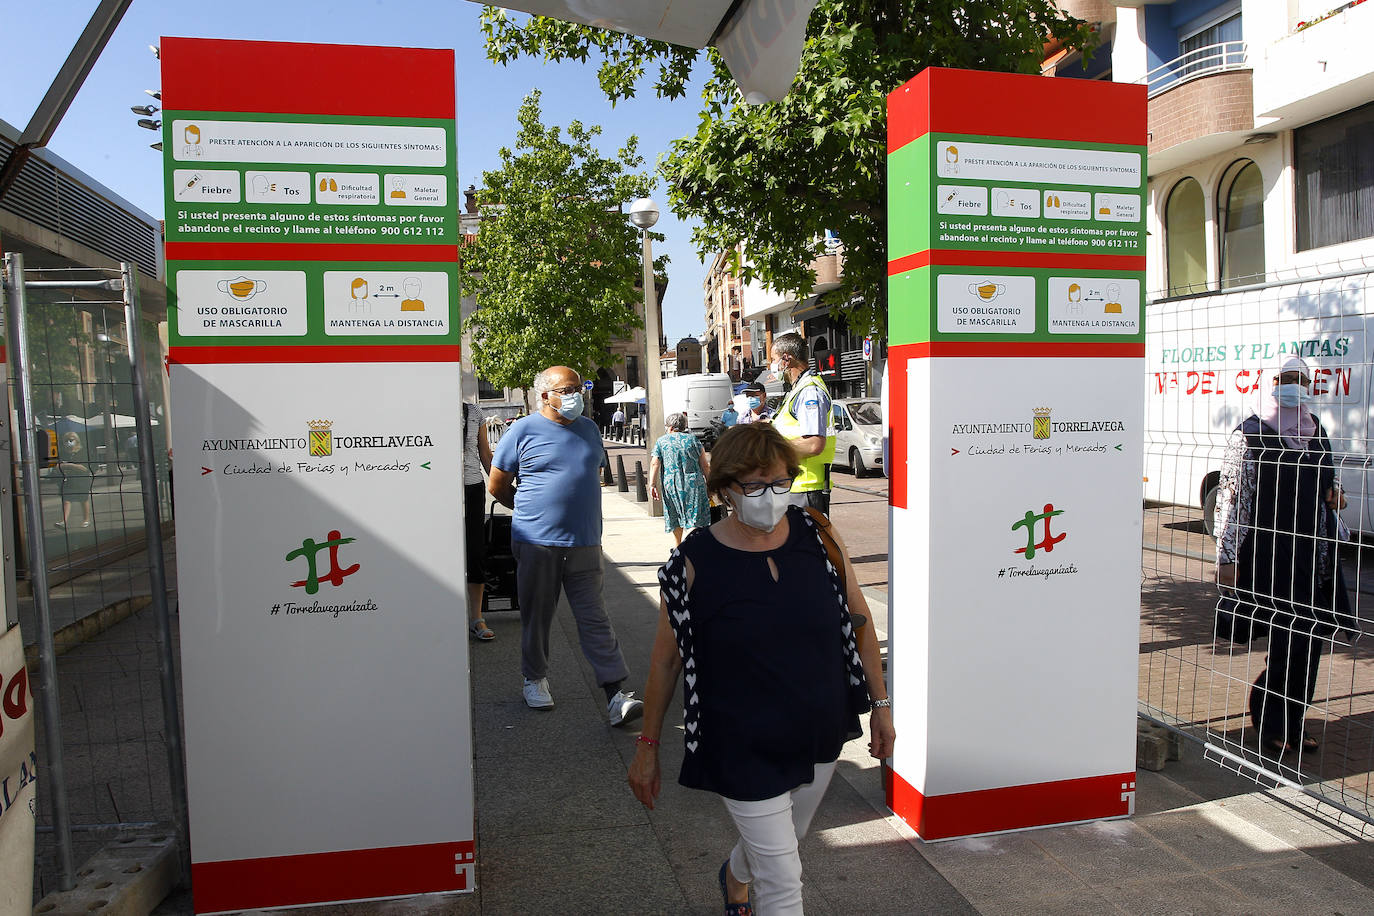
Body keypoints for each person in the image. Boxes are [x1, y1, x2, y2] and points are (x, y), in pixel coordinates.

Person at [629, 423, 894, 916]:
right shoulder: (692, 561)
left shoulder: (819, 535)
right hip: (740, 738)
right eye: (753, 486)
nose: (769, 497)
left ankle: (734, 874)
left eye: (779, 483)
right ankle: (747, 882)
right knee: (784, 877)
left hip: (818, 724)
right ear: (724, 486)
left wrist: (881, 708)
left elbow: (858, 623)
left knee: (786, 839)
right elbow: (666, 660)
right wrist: (647, 746)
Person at [488, 365, 644, 725]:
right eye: (568, 389)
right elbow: (497, 484)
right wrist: (529, 510)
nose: (578, 394)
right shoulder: (522, 430)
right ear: (546, 395)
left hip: (586, 541)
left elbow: (593, 475)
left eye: (579, 387)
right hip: (536, 541)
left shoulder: (589, 429)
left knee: (595, 618)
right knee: (538, 616)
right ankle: (535, 679)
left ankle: (615, 693)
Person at [1214, 356, 1352, 757]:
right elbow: (1232, 499)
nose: (1293, 385)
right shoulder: (1250, 435)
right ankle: (1275, 723)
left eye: (1299, 378)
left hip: (1315, 559)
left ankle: (1294, 720)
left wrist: (1334, 495)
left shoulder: (1315, 431)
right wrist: (1227, 558)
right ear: (1268, 381)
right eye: (1284, 378)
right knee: (1286, 641)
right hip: (1271, 559)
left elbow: (1328, 477)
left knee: (1310, 643)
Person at [769, 333, 836, 515]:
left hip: (805, 489)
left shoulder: (809, 392)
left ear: (786, 359)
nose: (772, 366)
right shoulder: (797, 390)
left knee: (805, 543)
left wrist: (771, 447)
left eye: (773, 360)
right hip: (794, 487)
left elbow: (814, 443)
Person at [649, 412, 710, 546]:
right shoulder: (693, 440)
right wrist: (710, 482)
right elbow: (704, 464)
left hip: (672, 483)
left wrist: (652, 485)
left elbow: (655, 463)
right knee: (694, 515)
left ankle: (678, 546)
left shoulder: (662, 441)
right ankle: (692, 545)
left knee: (675, 514)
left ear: (670, 427)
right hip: (694, 483)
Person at [462, 402, 496, 641]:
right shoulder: (425, 406)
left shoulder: (473, 412)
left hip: (471, 486)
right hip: (436, 490)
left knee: (475, 551)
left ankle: (476, 616)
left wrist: (501, 485)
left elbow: (485, 453)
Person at [55, 432, 93, 529]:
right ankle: (64, 521)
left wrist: (71, 465)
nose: (69, 442)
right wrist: (66, 466)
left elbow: (85, 468)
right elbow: (57, 466)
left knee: (83, 499)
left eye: (71, 440)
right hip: (68, 480)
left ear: (77, 440)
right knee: (66, 500)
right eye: (67, 440)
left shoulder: (83, 452)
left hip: (81, 480)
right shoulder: (63, 453)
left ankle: (86, 519)